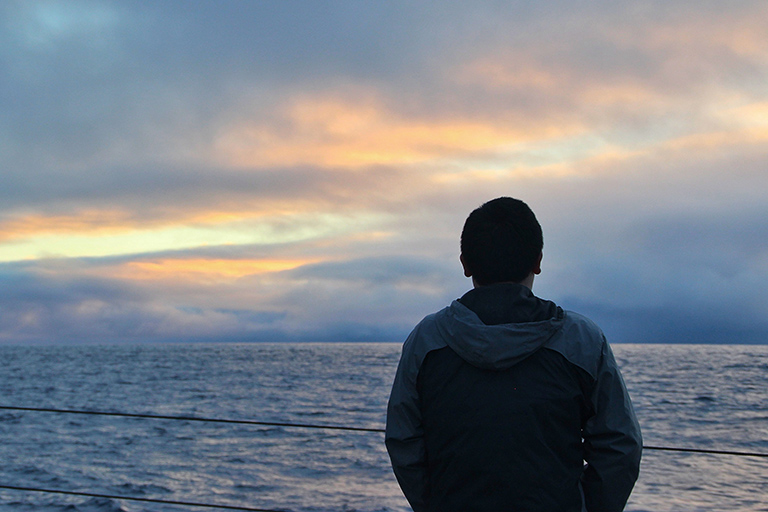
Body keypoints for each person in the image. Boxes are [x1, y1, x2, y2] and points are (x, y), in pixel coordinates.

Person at [385, 197, 642, 512]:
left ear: (465, 263)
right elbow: (620, 447)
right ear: (538, 261)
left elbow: (404, 441)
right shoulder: (581, 340)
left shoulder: (426, 341)